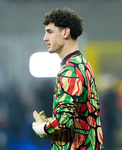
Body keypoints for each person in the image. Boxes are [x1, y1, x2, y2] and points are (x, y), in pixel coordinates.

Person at [32, 7, 104, 150]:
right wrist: (52, 121)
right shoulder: (83, 63)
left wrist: (42, 128)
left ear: (65, 32)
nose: (45, 38)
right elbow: (79, 116)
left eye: (50, 32)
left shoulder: (70, 70)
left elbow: (64, 122)